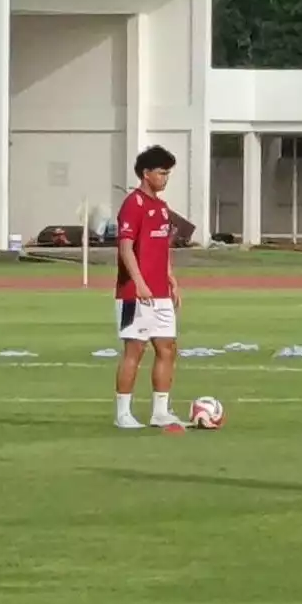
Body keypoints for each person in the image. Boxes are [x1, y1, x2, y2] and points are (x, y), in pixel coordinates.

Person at [111, 145, 185, 430]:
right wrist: (139, 283)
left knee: (167, 348)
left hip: (161, 293)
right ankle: (123, 414)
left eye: (168, 173)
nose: (165, 178)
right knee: (135, 350)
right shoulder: (134, 204)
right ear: (146, 173)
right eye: (162, 173)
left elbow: (161, 248)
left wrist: (171, 278)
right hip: (135, 293)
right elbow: (126, 247)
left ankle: (160, 411)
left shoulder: (162, 208)